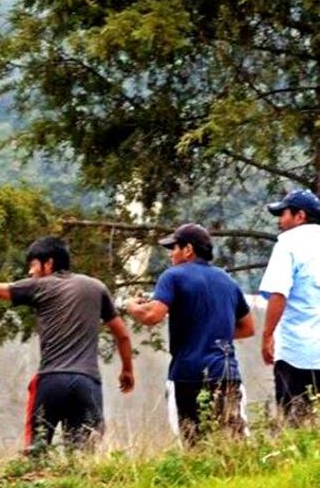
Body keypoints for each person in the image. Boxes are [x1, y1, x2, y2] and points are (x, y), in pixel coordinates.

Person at [0, 236, 135, 453]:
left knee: (35, 452)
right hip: (87, 384)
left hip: (51, 381)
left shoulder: (39, 286)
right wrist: (127, 370)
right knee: (84, 455)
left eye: (33, 265)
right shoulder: (96, 287)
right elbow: (123, 335)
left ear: (48, 263)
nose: (30, 272)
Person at [125, 223, 255, 446]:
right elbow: (248, 327)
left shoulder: (173, 276)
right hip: (226, 374)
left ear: (188, 250)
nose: (171, 254)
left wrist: (131, 306)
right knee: (235, 446)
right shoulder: (227, 280)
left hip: (188, 376)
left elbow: (153, 316)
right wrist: (211, 331)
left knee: (193, 447)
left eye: (174, 248)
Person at [258, 189, 320, 425]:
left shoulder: (288, 244)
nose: (280, 221)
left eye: (283, 214)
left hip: (297, 351)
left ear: (300, 216)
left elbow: (279, 293)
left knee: (294, 423)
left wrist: (268, 335)